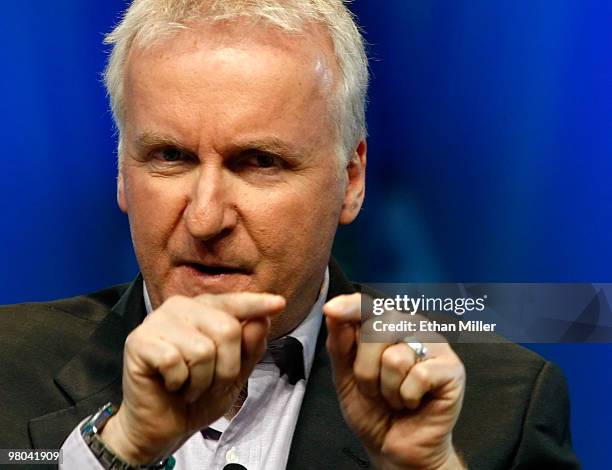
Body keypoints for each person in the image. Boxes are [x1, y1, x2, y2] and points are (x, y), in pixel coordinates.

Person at [0, 1, 579, 469]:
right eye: (170, 156)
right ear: (123, 173)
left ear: (351, 181)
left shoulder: (501, 407)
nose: (205, 219)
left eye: (259, 162)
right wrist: (115, 451)